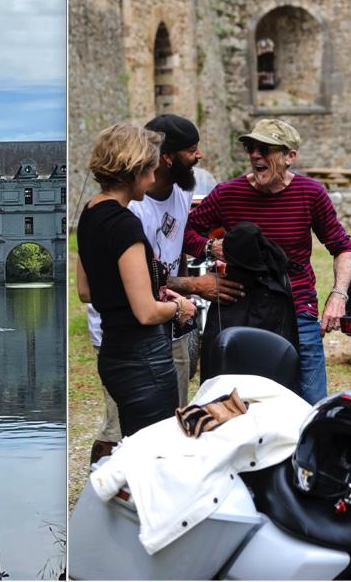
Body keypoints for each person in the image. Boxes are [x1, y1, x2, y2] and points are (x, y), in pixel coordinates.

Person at [86, 115, 244, 461]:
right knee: (130, 436)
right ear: (160, 159)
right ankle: (112, 496)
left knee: (172, 422)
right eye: (191, 149)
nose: (199, 155)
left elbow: (88, 289)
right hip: (139, 341)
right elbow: (141, 302)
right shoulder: (129, 218)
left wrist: (201, 257)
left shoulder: (93, 212)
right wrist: (187, 297)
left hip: (158, 334)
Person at [185, 118, 351, 404]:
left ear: (290, 156)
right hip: (239, 308)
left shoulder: (310, 194)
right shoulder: (228, 193)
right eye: (251, 148)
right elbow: (185, 231)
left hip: (297, 309)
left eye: (266, 149)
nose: (255, 155)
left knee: (310, 404)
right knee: (229, 405)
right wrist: (211, 247)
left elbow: (342, 248)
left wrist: (338, 295)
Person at [77, 123, 197, 438]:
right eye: (151, 169)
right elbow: (145, 311)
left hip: (113, 353)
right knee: (156, 449)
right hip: (143, 360)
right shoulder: (126, 226)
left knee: (130, 446)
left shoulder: (89, 214)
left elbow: (85, 291)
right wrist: (180, 306)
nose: (155, 176)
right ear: (134, 170)